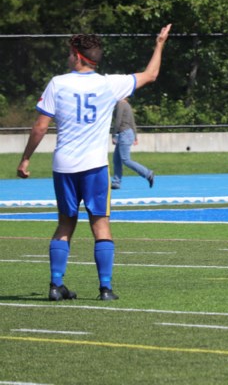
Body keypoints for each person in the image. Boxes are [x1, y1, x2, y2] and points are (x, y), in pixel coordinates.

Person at [17, 25, 172, 302]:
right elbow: (152, 75)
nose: (67, 57)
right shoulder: (108, 84)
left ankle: (55, 285)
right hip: (95, 167)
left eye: (69, 53)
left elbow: (40, 127)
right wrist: (159, 44)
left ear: (77, 56)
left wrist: (26, 158)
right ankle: (105, 288)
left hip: (64, 166)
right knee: (100, 225)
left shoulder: (58, 83)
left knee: (65, 224)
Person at [110, 97, 155, 189]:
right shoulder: (127, 105)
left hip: (124, 133)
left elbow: (118, 120)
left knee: (125, 160)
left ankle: (147, 173)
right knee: (116, 160)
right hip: (126, 133)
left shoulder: (121, 104)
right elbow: (132, 122)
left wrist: (114, 134)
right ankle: (116, 182)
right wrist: (135, 136)